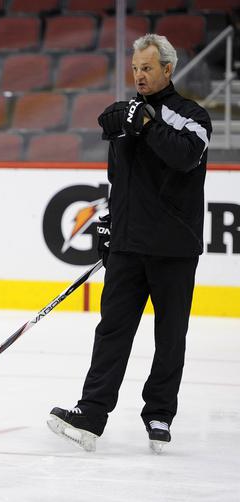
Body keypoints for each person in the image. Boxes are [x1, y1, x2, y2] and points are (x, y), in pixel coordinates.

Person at [47, 34, 211, 453]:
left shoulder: (191, 116)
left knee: (170, 334)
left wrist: (147, 124)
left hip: (175, 247)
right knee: (112, 332)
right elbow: (119, 176)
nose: (139, 74)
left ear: (168, 69)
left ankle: (159, 413)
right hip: (127, 244)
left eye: (148, 67)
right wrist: (109, 220)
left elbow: (184, 157)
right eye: (136, 67)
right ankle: (91, 413)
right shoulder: (125, 114)